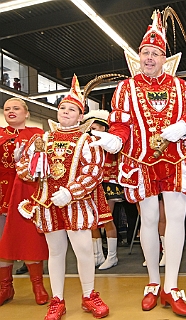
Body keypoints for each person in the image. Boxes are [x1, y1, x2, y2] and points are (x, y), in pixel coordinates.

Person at [90, 10, 186, 317]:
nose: (149, 57)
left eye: (155, 52)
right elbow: (121, 122)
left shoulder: (181, 87)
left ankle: (171, 285)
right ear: (137, 57)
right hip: (141, 163)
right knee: (150, 221)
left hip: (176, 161)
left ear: (164, 57)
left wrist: (183, 127)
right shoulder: (126, 88)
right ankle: (153, 282)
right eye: (145, 52)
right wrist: (115, 139)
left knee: (177, 221)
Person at [16, 75, 109, 320]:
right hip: (47, 205)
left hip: (76, 204)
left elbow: (94, 172)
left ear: (81, 116)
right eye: (62, 108)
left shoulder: (88, 141)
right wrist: (23, 163)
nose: (65, 112)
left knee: (84, 251)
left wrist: (70, 192)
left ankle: (89, 295)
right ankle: (58, 300)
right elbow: (28, 172)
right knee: (55, 253)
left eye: (72, 109)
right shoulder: (43, 140)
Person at [0, 97, 49, 306]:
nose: (11, 111)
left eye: (16, 108)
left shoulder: (38, 135)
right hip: (2, 192)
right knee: (2, 240)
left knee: (29, 239)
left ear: (26, 113)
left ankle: (37, 285)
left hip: (27, 193)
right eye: (7, 108)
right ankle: (5, 287)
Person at [83, 109, 124, 270]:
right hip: (90, 184)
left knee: (107, 219)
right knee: (92, 221)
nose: (93, 129)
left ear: (104, 128)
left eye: (96, 127)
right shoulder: (86, 143)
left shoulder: (110, 143)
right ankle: (97, 255)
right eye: (91, 127)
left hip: (107, 183)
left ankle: (112, 256)